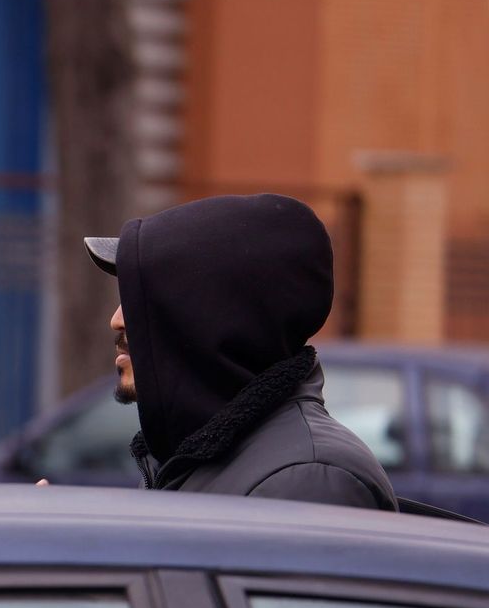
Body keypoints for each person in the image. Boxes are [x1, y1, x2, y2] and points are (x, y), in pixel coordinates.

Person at [84, 193, 397, 510]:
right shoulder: (187, 455)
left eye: (144, 299)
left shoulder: (308, 480)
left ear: (216, 316)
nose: (117, 319)